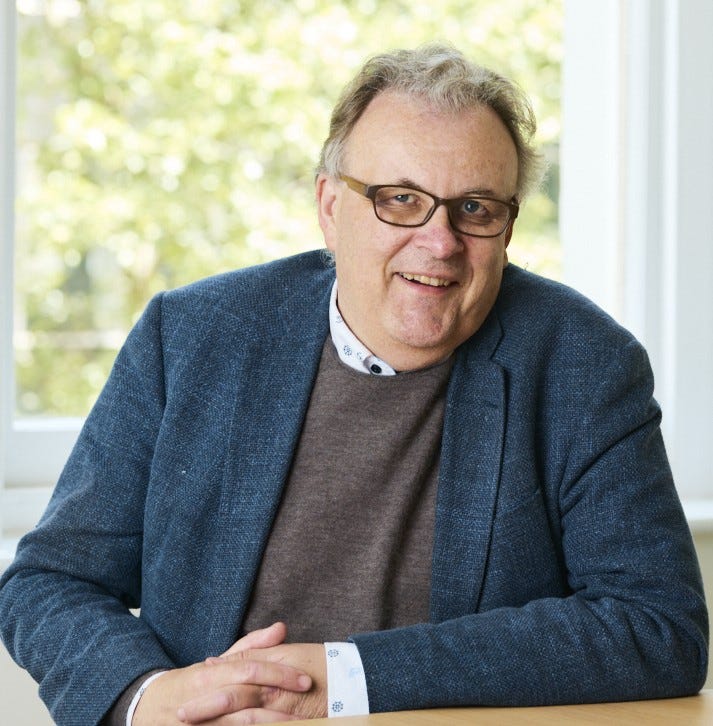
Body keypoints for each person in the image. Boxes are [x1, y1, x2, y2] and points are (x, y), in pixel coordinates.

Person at [0, 44, 708, 725]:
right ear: (330, 208)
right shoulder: (191, 336)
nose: (439, 242)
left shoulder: (585, 364)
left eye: (475, 208)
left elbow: (657, 627)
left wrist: (346, 679)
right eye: (399, 198)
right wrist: (148, 695)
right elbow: (50, 581)